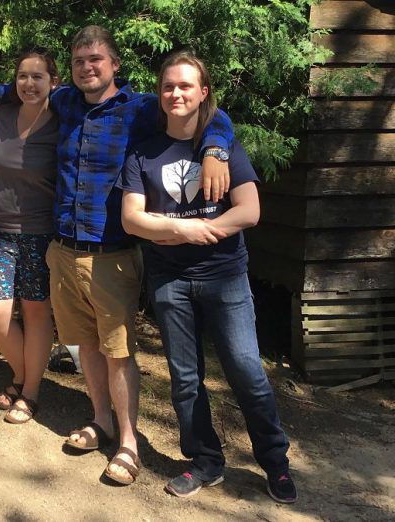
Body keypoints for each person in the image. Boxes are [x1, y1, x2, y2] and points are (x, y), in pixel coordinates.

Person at [0, 26, 233, 485]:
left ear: (114, 65)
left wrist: (215, 149)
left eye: (96, 59)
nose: (87, 67)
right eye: (78, 61)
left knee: (118, 352)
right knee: (86, 347)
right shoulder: (66, 101)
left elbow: (204, 112)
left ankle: (129, 444)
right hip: (62, 250)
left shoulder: (141, 109)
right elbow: (23, 84)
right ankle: (101, 421)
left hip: (111, 254)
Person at [120, 50, 296, 503]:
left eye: (185, 86)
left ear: (203, 93)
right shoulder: (143, 151)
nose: (175, 93)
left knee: (246, 370)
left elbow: (250, 210)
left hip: (225, 276)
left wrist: (202, 233)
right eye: (167, 86)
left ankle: (275, 462)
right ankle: (205, 462)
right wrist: (182, 228)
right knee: (184, 378)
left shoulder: (222, 145)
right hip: (167, 281)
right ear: (159, 94)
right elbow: (131, 220)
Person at [0, 48, 59, 424]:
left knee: (36, 313)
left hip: (41, 234)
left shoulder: (62, 121)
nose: (29, 83)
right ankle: (25, 373)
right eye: (23, 76)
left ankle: (30, 392)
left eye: (38, 76)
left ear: (53, 82)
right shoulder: (1, 115)